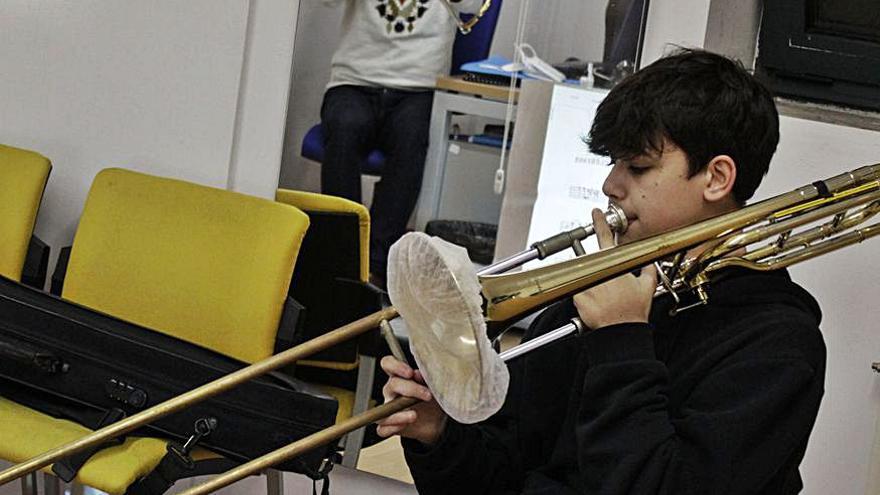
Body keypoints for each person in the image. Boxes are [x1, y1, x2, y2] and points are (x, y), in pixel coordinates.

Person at [377, 48, 827, 494]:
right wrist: (441, 436)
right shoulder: (582, 305)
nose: (610, 185)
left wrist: (621, 340)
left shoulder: (778, 343)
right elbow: (508, 475)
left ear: (716, 178)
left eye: (637, 166)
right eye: (613, 162)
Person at [319, 0, 482, 286]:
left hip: (419, 86)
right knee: (344, 128)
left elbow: (472, 5)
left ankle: (377, 264)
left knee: (411, 141)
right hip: (353, 80)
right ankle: (342, 257)